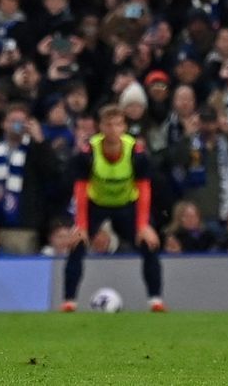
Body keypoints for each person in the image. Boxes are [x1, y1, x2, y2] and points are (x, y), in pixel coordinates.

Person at [61, 105, 165, 313]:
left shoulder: (136, 152)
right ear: (100, 127)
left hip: (127, 205)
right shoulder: (88, 152)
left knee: (149, 244)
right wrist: (80, 225)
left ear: (124, 127)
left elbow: (144, 188)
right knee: (76, 245)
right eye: (108, 125)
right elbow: (81, 189)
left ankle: (155, 300)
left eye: (118, 124)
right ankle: (69, 301)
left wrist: (143, 225)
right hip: (96, 204)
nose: (113, 129)